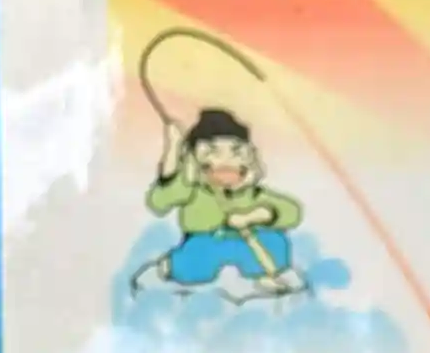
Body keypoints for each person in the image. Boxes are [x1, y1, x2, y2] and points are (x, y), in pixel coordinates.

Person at [132, 107, 308, 300]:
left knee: (276, 243)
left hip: (246, 242)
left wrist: (258, 215)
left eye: (236, 152)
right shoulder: (192, 188)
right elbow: (158, 203)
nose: (226, 161)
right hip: (206, 243)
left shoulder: (252, 192)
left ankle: (262, 278)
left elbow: (292, 211)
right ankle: (169, 267)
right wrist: (173, 152)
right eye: (213, 152)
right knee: (196, 260)